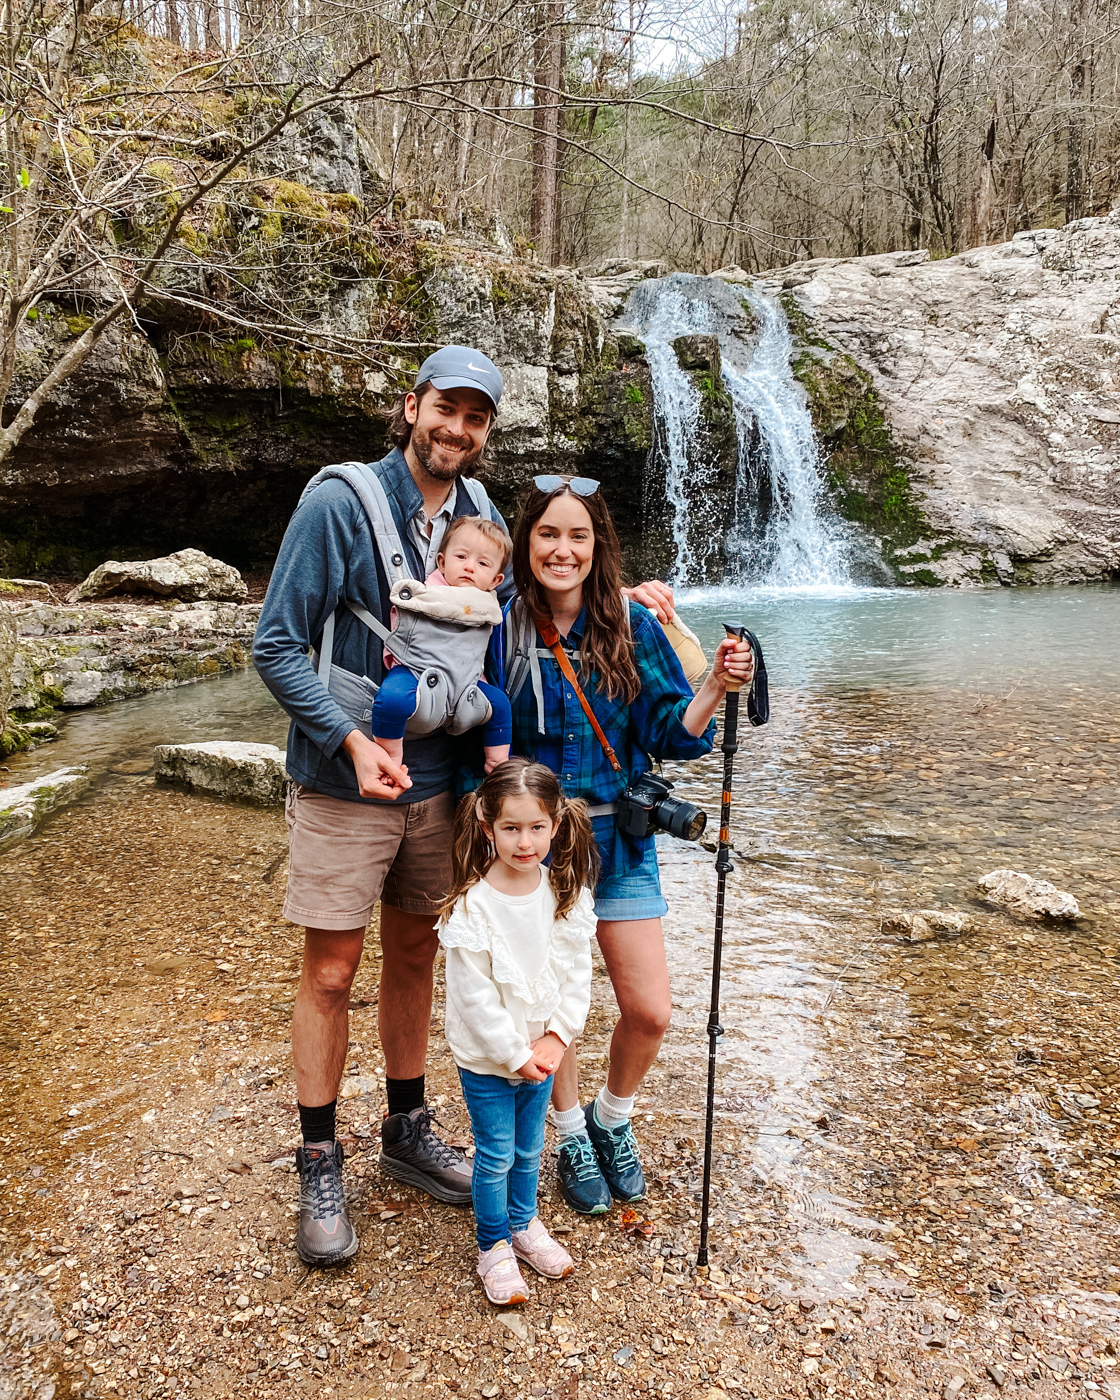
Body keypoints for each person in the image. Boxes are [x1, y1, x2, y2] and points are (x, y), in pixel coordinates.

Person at [253, 345, 513, 1268]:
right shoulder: (338, 502)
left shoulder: (484, 521)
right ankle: (320, 1154)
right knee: (330, 970)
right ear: (411, 407)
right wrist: (351, 741)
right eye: (446, 408)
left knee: (414, 955)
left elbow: (504, 643)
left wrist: (633, 606)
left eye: (476, 418)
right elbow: (275, 644)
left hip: (442, 789)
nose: (457, 429)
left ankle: (405, 1131)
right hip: (343, 780)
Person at [488, 475, 755, 1215]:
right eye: (548, 534)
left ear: (598, 544)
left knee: (651, 1010)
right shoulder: (500, 624)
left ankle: (612, 1116)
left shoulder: (632, 626)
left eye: (578, 535)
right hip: (536, 846)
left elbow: (671, 731)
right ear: (526, 542)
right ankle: (570, 1130)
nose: (562, 549)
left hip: (622, 840)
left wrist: (718, 687)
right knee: (553, 1005)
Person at [437, 759, 598, 1305]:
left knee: (531, 1148)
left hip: (543, 1051)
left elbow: (577, 973)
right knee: (497, 1152)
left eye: (535, 828)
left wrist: (556, 1037)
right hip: (488, 1057)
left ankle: (524, 1224)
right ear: (487, 828)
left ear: (555, 826)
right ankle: (493, 1245)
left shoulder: (565, 893)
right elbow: (473, 996)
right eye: (510, 828)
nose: (524, 842)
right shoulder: (471, 907)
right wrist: (512, 1052)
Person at [370, 514, 513, 781]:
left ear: (496, 580)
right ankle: (390, 758)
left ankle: (497, 763)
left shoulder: (488, 604)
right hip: (415, 671)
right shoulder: (427, 592)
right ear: (442, 562)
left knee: (501, 705)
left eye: (483, 563)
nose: (470, 567)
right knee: (390, 700)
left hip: (468, 682)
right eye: (461, 557)